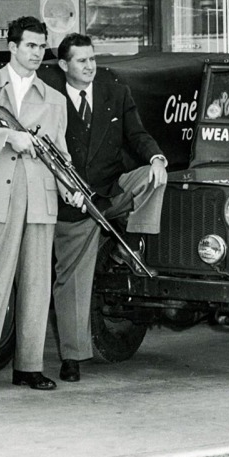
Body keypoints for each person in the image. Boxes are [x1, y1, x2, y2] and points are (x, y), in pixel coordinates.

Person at [0, 15, 80, 399]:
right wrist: (9, 137)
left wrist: (70, 188)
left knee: (37, 286)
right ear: (12, 46)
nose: (37, 53)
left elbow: (60, 155)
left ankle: (29, 367)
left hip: (39, 195)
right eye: (30, 45)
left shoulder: (54, 98)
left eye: (41, 46)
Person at [51, 33, 167, 383]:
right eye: (82, 60)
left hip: (111, 191)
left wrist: (156, 158)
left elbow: (137, 135)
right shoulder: (49, 98)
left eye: (92, 58)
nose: (90, 66)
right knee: (72, 283)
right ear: (64, 65)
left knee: (153, 178)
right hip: (70, 203)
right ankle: (72, 358)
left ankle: (128, 245)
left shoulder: (115, 93)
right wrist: (64, 189)